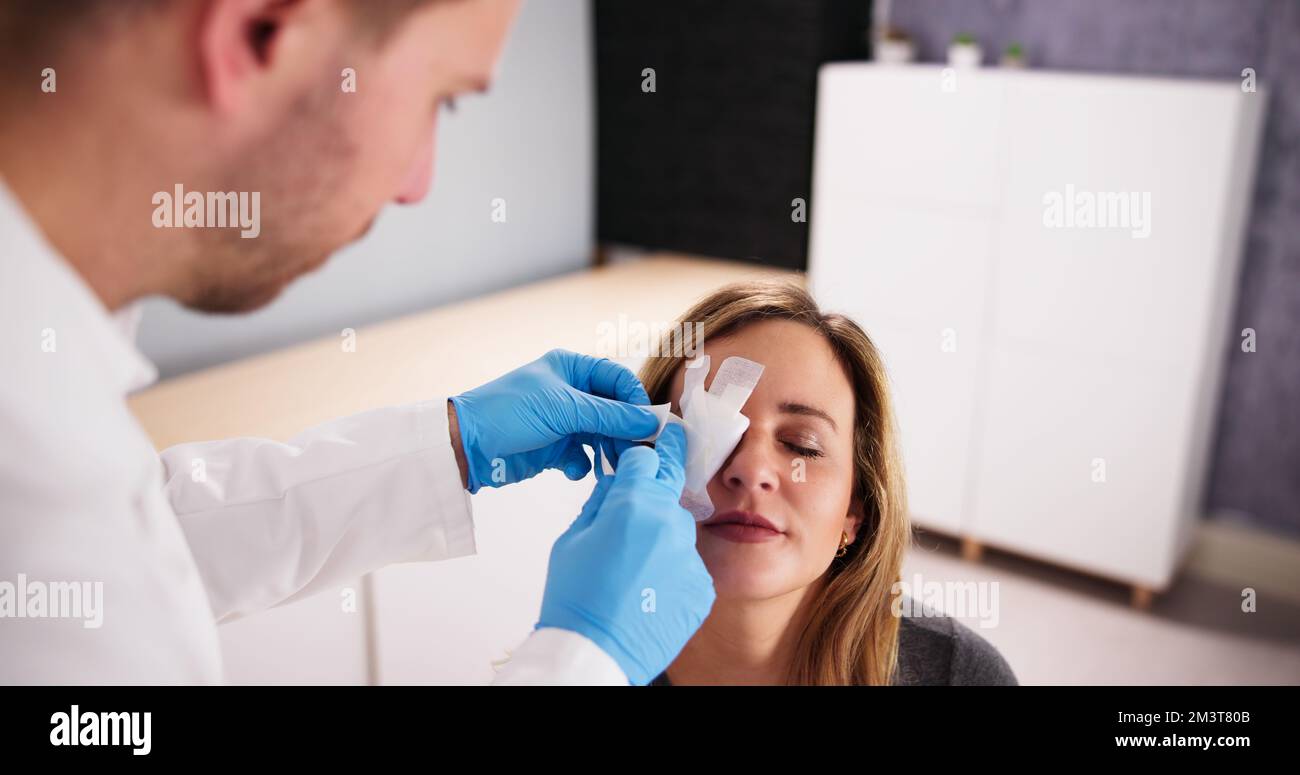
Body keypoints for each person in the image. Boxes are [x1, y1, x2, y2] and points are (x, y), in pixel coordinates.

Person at [0, 0, 712, 686]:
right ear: (258, 32)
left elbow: (148, 540)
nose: (417, 186)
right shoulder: (33, 488)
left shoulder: (48, 408)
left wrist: (451, 444)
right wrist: (585, 658)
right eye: (442, 100)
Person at [634, 280, 1017, 685]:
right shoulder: (591, 655)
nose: (751, 470)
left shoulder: (959, 674)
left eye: (803, 445)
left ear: (855, 508)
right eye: (706, 432)